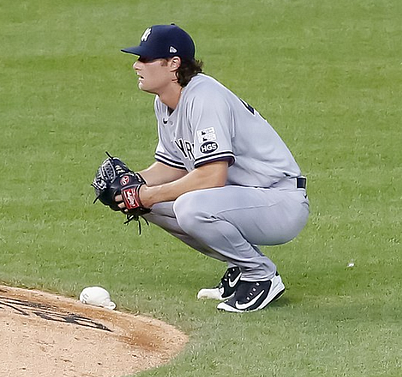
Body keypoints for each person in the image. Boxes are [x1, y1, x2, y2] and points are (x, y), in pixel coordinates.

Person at [118, 24, 310, 313]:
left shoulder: (204, 97)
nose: (136, 65)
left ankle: (261, 276)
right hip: (242, 197)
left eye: (145, 59)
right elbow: (171, 166)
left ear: (173, 65)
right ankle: (241, 267)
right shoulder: (165, 102)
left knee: (189, 207)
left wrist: (149, 194)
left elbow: (212, 175)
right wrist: (130, 184)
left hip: (279, 201)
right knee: (149, 205)